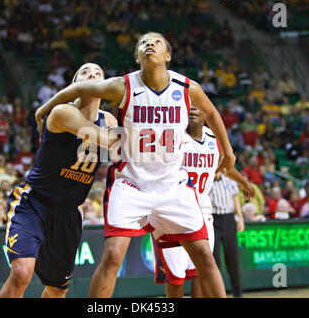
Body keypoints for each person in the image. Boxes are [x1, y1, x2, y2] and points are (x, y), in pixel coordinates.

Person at [35, 32, 236, 298]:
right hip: (132, 183)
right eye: (143, 43)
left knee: (204, 257)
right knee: (112, 255)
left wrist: (229, 151)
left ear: (168, 55)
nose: (149, 44)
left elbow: (211, 113)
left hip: (173, 185)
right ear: (137, 56)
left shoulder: (187, 88)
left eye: (156, 42)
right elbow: (78, 89)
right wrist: (44, 108)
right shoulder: (123, 86)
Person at [0, 63, 119, 298]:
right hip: (34, 203)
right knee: (22, 273)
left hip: (68, 213)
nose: (92, 75)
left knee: (57, 289)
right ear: (75, 84)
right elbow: (110, 142)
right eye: (85, 72)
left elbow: (120, 155)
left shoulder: (109, 121)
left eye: (98, 74)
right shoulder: (63, 111)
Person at [151, 105, 255, 298]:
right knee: (176, 277)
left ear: (208, 114)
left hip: (203, 211)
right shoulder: (173, 136)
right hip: (172, 211)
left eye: (197, 106)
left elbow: (226, 167)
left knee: (202, 271)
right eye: (188, 106)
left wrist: (245, 183)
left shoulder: (214, 139)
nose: (192, 110)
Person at [209, 171, 244, 298]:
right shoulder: (207, 180)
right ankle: (217, 294)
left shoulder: (229, 179)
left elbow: (235, 199)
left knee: (233, 259)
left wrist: (240, 218)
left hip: (229, 219)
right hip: (213, 220)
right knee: (215, 261)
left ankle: (238, 294)